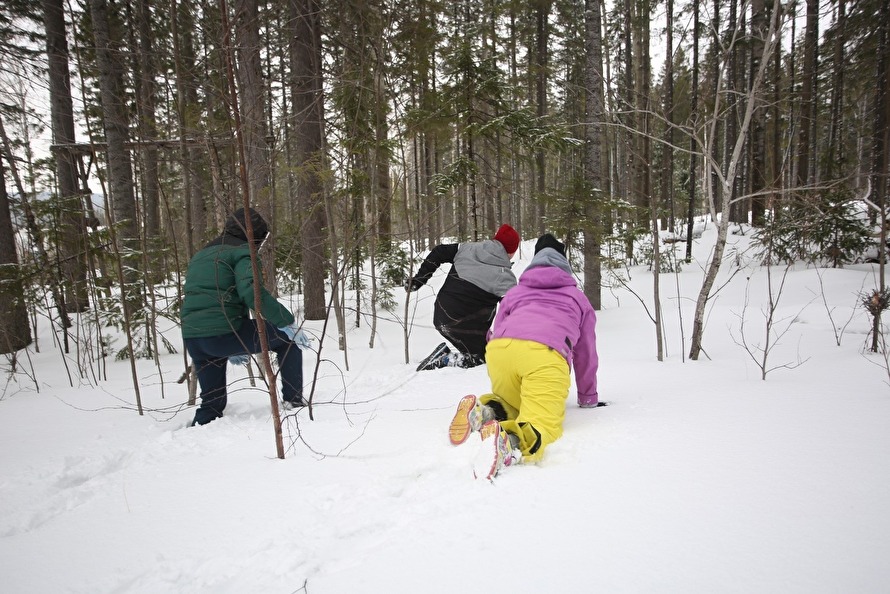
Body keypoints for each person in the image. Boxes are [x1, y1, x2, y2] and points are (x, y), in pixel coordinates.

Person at [448, 233, 602, 479]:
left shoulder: (515, 292)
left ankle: (484, 412)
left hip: (500, 352)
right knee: (542, 422)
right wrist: (588, 396)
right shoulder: (577, 298)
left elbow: (497, 328)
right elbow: (586, 353)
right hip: (544, 356)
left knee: (514, 403)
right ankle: (510, 443)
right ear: (564, 263)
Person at [180, 207, 309, 426]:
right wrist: (286, 322)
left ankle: (197, 431)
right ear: (254, 236)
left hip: (194, 337)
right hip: (222, 333)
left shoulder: (201, 255)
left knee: (212, 404)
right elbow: (251, 291)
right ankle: (294, 402)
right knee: (288, 340)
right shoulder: (242, 253)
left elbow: (210, 295)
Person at [407, 224, 520, 371]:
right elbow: (515, 313)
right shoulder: (506, 279)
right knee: (486, 357)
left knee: (484, 345)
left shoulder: (467, 248)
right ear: (511, 251)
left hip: (441, 315)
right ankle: (444, 359)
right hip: (461, 326)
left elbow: (439, 251)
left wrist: (419, 280)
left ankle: (467, 348)